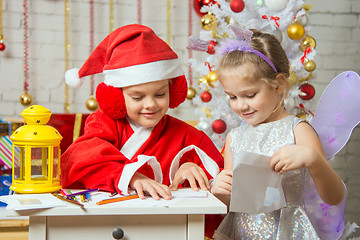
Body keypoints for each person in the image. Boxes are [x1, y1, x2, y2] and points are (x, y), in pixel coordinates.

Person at [61, 24, 224, 238]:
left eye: (159, 94)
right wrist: (132, 177)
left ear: (173, 91)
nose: (150, 105)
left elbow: (220, 189)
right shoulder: (104, 123)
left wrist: (190, 171)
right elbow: (78, 159)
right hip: (103, 227)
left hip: (165, 231)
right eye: (137, 97)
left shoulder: (188, 137)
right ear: (117, 96)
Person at [210, 26, 346, 239]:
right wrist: (220, 193)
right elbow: (233, 202)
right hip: (239, 233)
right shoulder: (234, 138)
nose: (241, 106)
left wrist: (314, 160)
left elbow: (334, 197)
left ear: (278, 84)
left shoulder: (297, 131)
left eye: (250, 94)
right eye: (233, 97)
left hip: (286, 232)